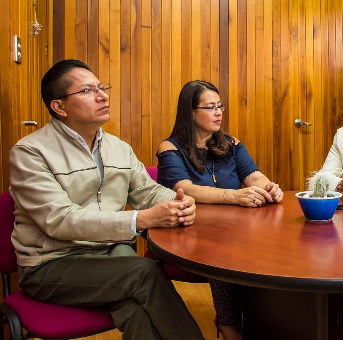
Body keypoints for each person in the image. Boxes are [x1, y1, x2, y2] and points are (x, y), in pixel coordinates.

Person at [8, 60, 205, 340]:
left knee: (135, 307)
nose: (102, 96)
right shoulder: (30, 152)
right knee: (144, 272)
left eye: (102, 88)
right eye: (87, 90)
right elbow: (61, 220)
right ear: (59, 107)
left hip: (109, 254)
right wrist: (141, 219)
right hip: (51, 264)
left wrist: (178, 201)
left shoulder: (118, 147)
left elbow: (147, 192)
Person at [156, 80, 283, 340]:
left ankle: (266, 320)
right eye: (210, 107)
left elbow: (254, 176)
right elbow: (185, 188)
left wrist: (269, 187)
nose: (218, 113)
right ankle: (229, 324)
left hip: (233, 228)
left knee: (269, 247)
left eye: (220, 106)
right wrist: (234, 196)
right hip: (190, 230)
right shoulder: (170, 148)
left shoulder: (231, 143)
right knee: (223, 254)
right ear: (191, 112)